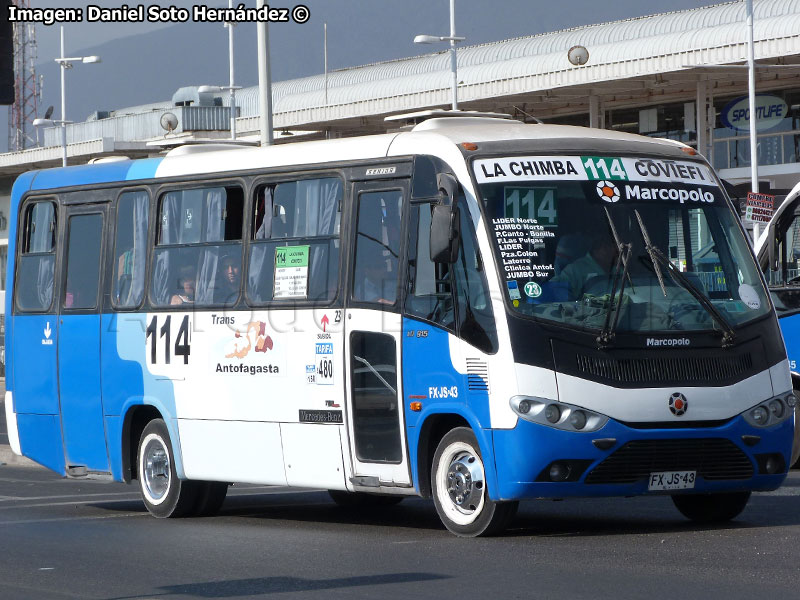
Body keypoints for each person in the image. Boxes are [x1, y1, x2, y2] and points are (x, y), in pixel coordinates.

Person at [550, 235, 618, 300]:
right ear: (601, 248)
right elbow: (554, 286)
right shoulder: (576, 269)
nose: (617, 252)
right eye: (614, 247)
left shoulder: (619, 269)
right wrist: (572, 306)